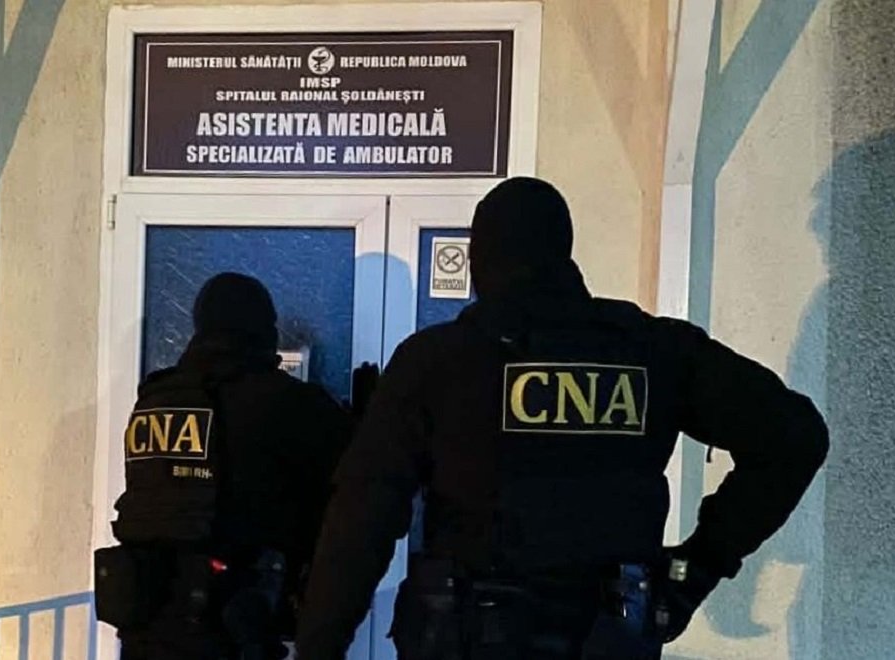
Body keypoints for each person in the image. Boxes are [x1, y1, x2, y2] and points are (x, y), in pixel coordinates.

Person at [295, 177, 829, 659]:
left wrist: (320, 644)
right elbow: (795, 436)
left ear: (480, 261)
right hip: (608, 635)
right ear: (564, 253)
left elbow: (361, 519)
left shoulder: (437, 361)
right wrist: (694, 570)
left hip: (468, 635)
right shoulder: (653, 350)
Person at [95, 272, 352, 660]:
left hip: (148, 621)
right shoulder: (281, 400)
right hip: (230, 624)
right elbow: (353, 478)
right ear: (262, 329)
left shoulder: (155, 398)